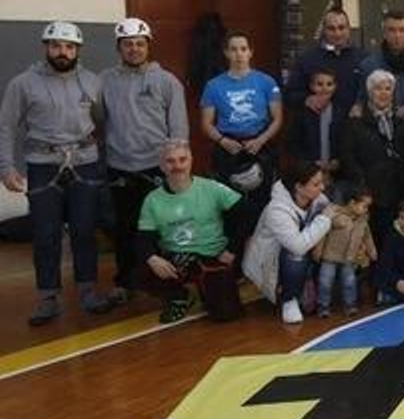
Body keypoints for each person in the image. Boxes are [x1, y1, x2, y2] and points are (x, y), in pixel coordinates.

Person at [0, 20, 110, 326]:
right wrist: (6, 167)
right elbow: (5, 128)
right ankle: (47, 297)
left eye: (69, 47)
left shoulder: (93, 82)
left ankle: (87, 290)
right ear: (46, 47)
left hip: (85, 163)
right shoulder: (22, 84)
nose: (62, 52)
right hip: (43, 165)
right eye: (56, 45)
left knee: (85, 231)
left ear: (77, 50)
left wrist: (104, 163)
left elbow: (103, 125)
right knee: (46, 234)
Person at [100, 17, 188, 305]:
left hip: (157, 167)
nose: (134, 49)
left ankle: (166, 282)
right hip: (120, 166)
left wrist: (177, 167)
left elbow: (178, 129)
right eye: (128, 44)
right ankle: (125, 281)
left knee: (163, 228)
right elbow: (97, 122)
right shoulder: (104, 81)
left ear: (148, 46)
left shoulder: (167, 81)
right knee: (124, 228)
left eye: (139, 44)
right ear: (119, 48)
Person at [131, 139, 243, 324]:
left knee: (226, 314)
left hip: (213, 256)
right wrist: (152, 258)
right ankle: (178, 296)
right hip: (177, 259)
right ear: (162, 166)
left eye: (182, 160)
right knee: (140, 271)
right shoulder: (152, 200)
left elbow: (247, 214)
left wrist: (232, 249)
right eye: (171, 161)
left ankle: (207, 287)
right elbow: (143, 239)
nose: (177, 166)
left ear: (191, 161)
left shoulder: (211, 188)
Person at [199, 31, 283, 255]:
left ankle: (261, 257)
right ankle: (232, 257)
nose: (239, 54)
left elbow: (277, 119)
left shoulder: (266, 82)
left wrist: (261, 140)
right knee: (231, 204)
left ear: (250, 52)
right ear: (226, 53)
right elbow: (206, 123)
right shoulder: (214, 86)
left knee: (262, 203)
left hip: (260, 145)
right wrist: (223, 141)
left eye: (243, 49)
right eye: (234, 49)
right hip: (228, 147)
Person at [341, 70, 404, 251]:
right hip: (372, 193)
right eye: (378, 89)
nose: (384, 93)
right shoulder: (356, 121)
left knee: (403, 239)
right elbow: (348, 156)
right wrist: (362, 185)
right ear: (369, 92)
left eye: (388, 88)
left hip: (402, 190)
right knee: (378, 241)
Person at [243, 162, 333, 324]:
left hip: (305, 258)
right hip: (271, 266)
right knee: (295, 254)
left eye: (322, 183)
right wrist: (325, 219)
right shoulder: (276, 210)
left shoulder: (318, 199)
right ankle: (288, 299)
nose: (322, 188)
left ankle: (308, 285)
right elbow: (298, 247)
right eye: (316, 184)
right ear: (298, 187)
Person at [356, 9, 404, 148]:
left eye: (402, 30)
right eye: (392, 30)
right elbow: (361, 101)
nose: (397, 35)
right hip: (378, 136)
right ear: (384, 33)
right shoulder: (368, 65)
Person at [285, 6, 364, 120]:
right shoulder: (307, 59)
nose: (337, 33)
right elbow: (289, 95)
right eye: (331, 28)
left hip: (352, 128)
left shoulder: (363, 58)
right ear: (323, 30)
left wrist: (361, 105)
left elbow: (371, 94)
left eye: (341, 28)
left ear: (349, 29)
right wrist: (307, 99)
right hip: (318, 128)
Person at [312, 189, 376, 317]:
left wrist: (372, 251)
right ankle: (323, 306)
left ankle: (350, 305)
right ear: (352, 203)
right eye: (364, 206)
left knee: (349, 282)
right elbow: (323, 234)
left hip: (349, 258)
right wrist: (317, 251)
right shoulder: (335, 216)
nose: (366, 210)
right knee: (325, 281)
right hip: (329, 257)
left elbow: (367, 237)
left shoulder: (363, 221)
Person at [285, 66, 342, 179]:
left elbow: (346, 143)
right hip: (308, 172)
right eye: (319, 84)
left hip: (336, 173)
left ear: (335, 87)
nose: (324, 88)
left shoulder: (340, 112)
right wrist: (310, 162)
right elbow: (292, 143)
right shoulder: (301, 113)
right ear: (311, 86)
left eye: (329, 84)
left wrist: (339, 160)